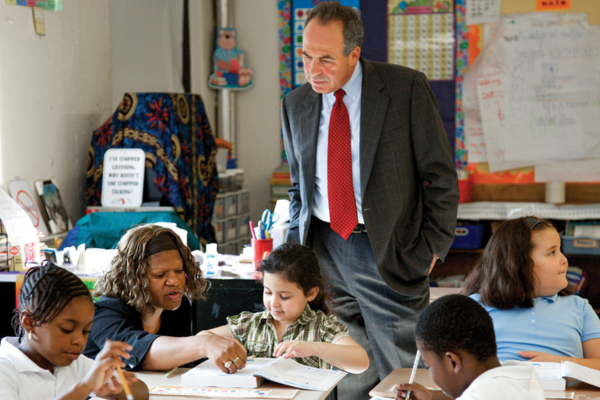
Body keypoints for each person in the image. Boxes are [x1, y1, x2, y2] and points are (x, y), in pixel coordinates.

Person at [281, 2, 459, 398]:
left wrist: (431, 247)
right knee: (346, 364)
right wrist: (294, 251)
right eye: (306, 56)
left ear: (354, 53)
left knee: (401, 365)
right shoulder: (296, 104)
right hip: (324, 247)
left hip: (387, 247)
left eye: (326, 59)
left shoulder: (404, 88)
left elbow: (440, 176)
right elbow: (298, 188)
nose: (313, 70)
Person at [83, 225, 247, 373]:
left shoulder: (177, 307)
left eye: (178, 270)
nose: (174, 281)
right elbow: (138, 354)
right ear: (133, 278)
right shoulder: (105, 315)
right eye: (160, 275)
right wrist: (203, 344)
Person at [203, 243, 369, 373]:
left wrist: (313, 348)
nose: (274, 303)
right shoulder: (249, 325)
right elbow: (202, 337)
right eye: (268, 292)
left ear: (310, 293)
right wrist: (220, 346)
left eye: (284, 297)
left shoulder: (322, 327)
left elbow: (361, 361)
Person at [465, 216, 600, 369]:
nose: (564, 260)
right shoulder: (475, 307)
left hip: (565, 392)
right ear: (519, 263)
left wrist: (560, 364)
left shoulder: (580, 308)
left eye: (560, 250)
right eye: (551, 252)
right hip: (500, 390)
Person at [0, 264, 149, 400]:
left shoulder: (74, 364)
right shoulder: (5, 370)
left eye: (86, 331)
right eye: (67, 329)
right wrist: (85, 386)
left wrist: (117, 386)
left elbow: (142, 392)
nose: (80, 340)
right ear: (29, 322)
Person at [394, 294, 545, 400]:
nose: (431, 375)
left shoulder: (481, 395)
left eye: (429, 367)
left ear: (452, 362)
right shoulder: (521, 374)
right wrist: (432, 397)